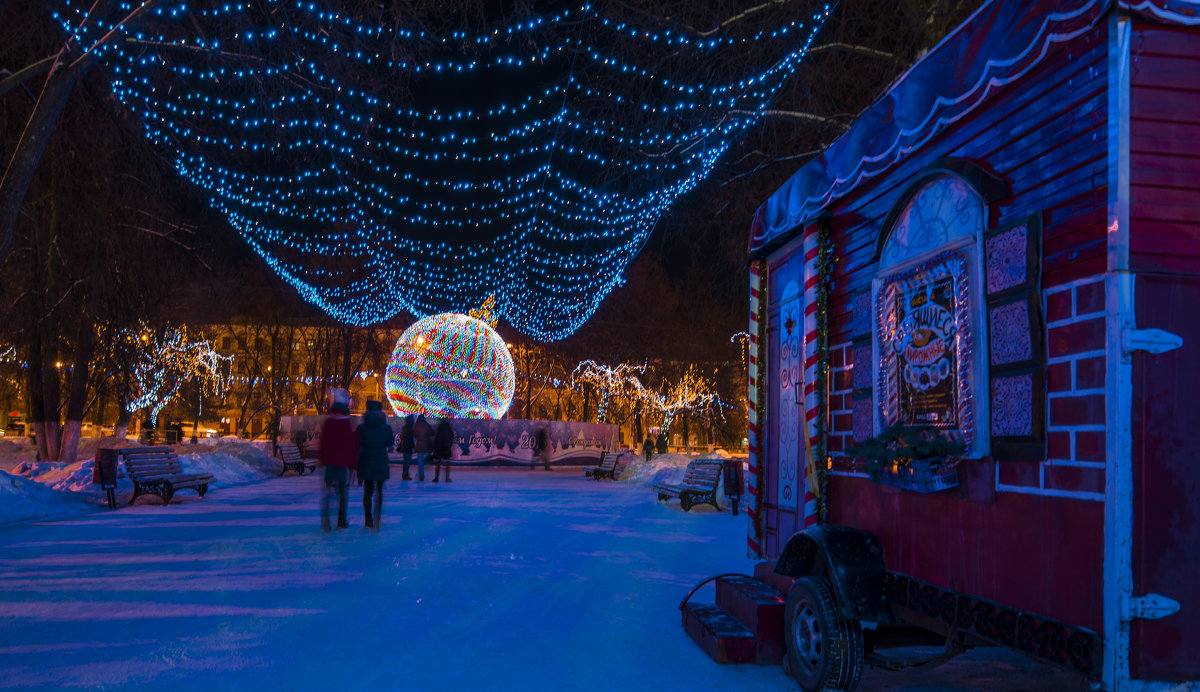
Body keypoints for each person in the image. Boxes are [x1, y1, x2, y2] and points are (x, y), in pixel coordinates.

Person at [319, 391, 357, 532]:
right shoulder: (346, 423)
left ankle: (326, 520)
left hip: (330, 463)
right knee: (342, 492)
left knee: (328, 491)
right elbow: (350, 445)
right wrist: (353, 464)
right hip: (342, 464)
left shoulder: (329, 422)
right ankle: (341, 520)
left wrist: (323, 460)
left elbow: (323, 442)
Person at [357, 400, 394, 531]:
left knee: (367, 491)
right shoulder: (386, 427)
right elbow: (390, 444)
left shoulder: (361, 428)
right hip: (380, 460)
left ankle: (368, 519)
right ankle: (377, 516)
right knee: (379, 490)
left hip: (366, 460)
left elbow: (357, 444)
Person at [412, 413, 434, 481]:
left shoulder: (416, 425)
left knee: (420, 461)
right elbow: (432, 433)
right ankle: (423, 473)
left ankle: (421, 475)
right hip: (426, 445)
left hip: (419, 445)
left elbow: (414, 434)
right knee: (424, 459)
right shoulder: (426, 425)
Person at [432, 416, 455, 483]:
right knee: (447, 463)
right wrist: (449, 445)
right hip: (446, 447)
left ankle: (436, 477)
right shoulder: (448, 429)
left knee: (438, 463)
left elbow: (436, 439)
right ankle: (447, 478)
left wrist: (435, 448)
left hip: (439, 448)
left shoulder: (439, 429)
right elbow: (451, 438)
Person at [399, 414, 415, 480]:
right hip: (408, 447)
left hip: (404, 446)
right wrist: (413, 446)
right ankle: (405, 474)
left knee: (405, 461)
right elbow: (410, 438)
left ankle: (404, 473)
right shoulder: (410, 428)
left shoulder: (405, 427)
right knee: (407, 461)